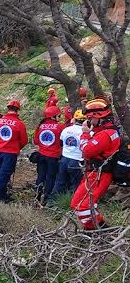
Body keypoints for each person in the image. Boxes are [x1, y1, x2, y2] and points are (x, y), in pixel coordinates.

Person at [71, 98, 122, 230]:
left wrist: (85, 134)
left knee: (80, 205)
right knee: (86, 204)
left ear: (98, 117)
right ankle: (99, 229)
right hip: (97, 173)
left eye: (90, 118)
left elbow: (86, 151)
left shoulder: (105, 134)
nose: (88, 121)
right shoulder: (109, 131)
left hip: (98, 174)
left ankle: (98, 231)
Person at [0, 100, 29, 202]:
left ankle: (2, 195)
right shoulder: (19, 124)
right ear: (17, 110)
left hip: (0, 152)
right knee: (5, 175)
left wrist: (0, 146)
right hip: (11, 153)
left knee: (1, 173)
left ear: (8, 109)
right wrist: (16, 147)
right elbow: (24, 140)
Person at [33, 106, 64, 204]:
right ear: (54, 116)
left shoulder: (40, 126)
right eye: (59, 115)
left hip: (41, 155)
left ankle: (37, 198)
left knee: (41, 176)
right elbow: (62, 142)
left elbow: (36, 141)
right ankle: (46, 200)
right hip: (53, 157)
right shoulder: (60, 127)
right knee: (51, 177)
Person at [54, 110, 86, 196]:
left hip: (64, 158)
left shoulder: (66, 129)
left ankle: (51, 203)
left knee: (60, 182)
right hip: (77, 160)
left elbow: (61, 143)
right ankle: (71, 203)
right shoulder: (86, 132)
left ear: (74, 120)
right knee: (75, 185)